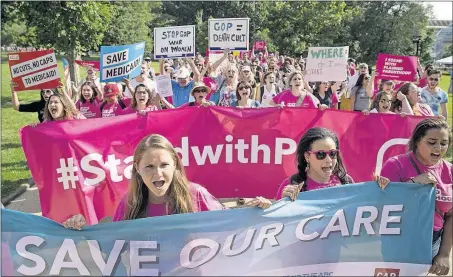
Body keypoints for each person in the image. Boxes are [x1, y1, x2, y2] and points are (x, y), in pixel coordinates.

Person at [62, 134, 271, 228]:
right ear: (137, 169)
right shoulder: (130, 203)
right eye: (149, 167)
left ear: (175, 165)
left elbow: (233, 224)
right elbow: (110, 246)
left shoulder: (196, 195)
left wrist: (258, 210)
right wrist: (80, 229)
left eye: (164, 165)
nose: (158, 174)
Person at [380, 118, 452, 276]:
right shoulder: (395, 165)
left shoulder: (450, 171)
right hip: (399, 240)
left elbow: (451, 215)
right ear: (417, 141)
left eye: (444, 143)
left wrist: (444, 254)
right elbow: (382, 204)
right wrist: (412, 184)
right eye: (431, 142)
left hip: (432, 242)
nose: (438, 148)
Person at [276, 126, 389, 198]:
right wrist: (282, 202)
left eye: (332, 153)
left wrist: (380, 190)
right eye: (321, 154)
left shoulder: (346, 181)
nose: (329, 160)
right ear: (307, 156)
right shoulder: (291, 185)